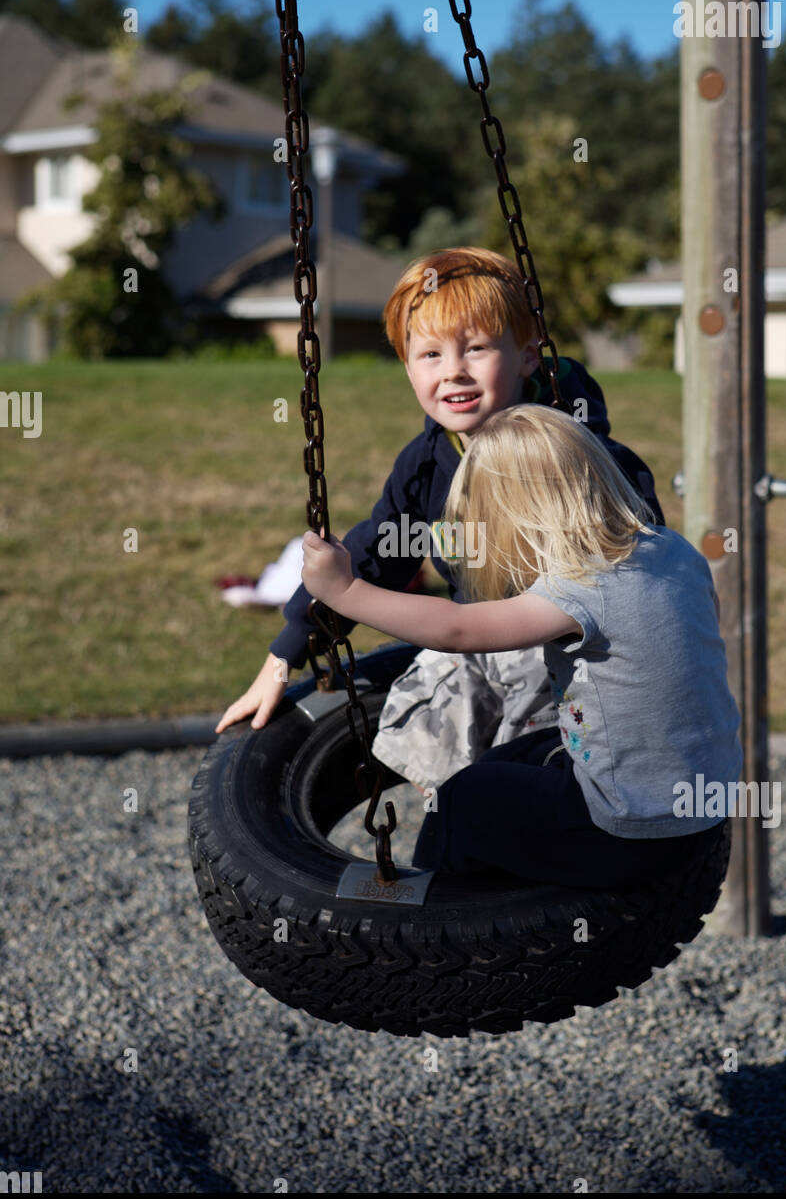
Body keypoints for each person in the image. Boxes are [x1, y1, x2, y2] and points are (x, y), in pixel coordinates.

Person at [215, 247, 664, 795]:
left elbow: (645, 554)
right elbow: (375, 555)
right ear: (406, 365)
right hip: (478, 642)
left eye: (476, 348)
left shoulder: (578, 452)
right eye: (429, 354)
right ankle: (456, 826)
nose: (453, 370)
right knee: (430, 717)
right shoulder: (427, 467)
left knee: (533, 768)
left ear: (527, 356)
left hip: (577, 657)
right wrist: (283, 657)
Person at [299, 405, 742, 888]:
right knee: (517, 757)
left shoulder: (580, 586)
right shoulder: (674, 549)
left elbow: (458, 630)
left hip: (629, 834)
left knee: (463, 798)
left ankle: (433, 921)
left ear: (516, 517)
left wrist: (345, 592)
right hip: (706, 810)